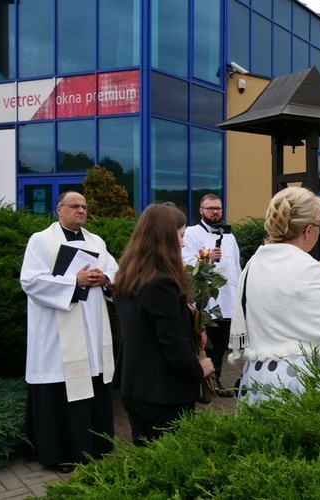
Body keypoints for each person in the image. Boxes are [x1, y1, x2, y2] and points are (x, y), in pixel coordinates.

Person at [20, 191, 119, 473]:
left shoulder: (95, 241)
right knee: (62, 389)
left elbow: (115, 270)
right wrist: (72, 281)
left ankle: (96, 446)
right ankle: (62, 454)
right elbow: (31, 281)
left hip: (91, 328)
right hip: (57, 332)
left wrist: (106, 277)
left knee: (93, 384)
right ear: (59, 209)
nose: (81, 210)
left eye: (85, 207)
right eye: (75, 206)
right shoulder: (41, 240)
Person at [230, 187, 320, 405]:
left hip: (258, 375)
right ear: (308, 230)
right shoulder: (309, 269)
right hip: (302, 378)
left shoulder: (252, 265)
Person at [112, 203, 215, 444]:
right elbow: (173, 342)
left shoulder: (128, 275)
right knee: (169, 467)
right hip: (163, 393)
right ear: (166, 237)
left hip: (134, 387)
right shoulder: (161, 283)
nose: (182, 244)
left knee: (145, 461)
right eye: (180, 236)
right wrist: (199, 370)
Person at [182, 194, 241, 400]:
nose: (215, 212)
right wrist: (205, 257)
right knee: (202, 345)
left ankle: (215, 382)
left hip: (227, 301)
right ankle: (199, 385)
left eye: (218, 208)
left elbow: (236, 267)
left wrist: (239, 294)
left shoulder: (229, 236)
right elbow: (184, 261)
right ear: (201, 210)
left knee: (219, 346)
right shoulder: (191, 233)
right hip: (204, 300)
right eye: (210, 208)